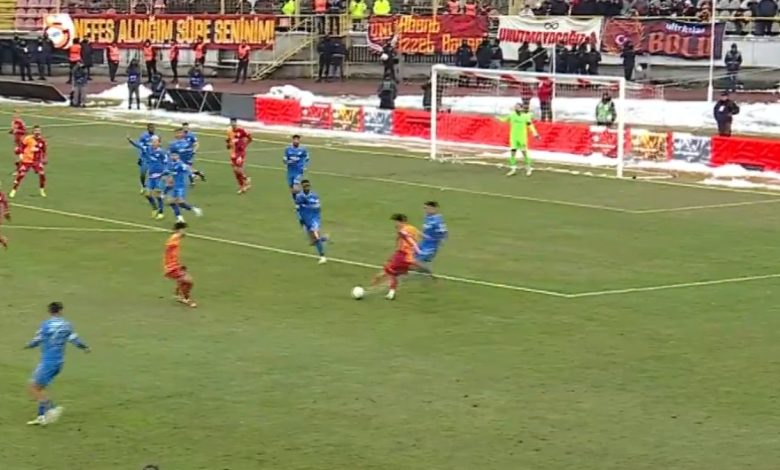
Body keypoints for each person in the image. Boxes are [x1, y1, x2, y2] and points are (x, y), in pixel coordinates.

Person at [23, 302, 90, 426]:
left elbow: (37, 340)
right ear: (60, 311)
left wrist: (27, 345)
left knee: (33, 387)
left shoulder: (46, 325)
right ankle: (41, 417)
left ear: (49, 311)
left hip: (48, 361)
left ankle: (51, 408)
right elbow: (75, 340)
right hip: (58, 362)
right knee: (40, 387)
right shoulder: (67, 325)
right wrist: (85, 347)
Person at [370, 213, 421, 300]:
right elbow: (419, 235)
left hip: (402, 256)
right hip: (408, 256)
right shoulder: (412, 228)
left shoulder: (403, 231)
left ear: (401, 222)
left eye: (396, 222)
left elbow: (405, 240)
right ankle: (391, 293)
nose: (395, 224)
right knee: (394, 273)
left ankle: (372, 286)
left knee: (386, 272)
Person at [164, 139, 203, 223]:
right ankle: (180, 218)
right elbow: (168, 172)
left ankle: (195, 210)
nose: (173, 157)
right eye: (172, 155)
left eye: (175, 155)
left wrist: (196, 174)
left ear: (178, 156)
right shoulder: (171, 164)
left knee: (180, 202)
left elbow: (189, 169)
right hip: (175, 186)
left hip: (180, 186)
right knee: (171, 202)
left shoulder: (180, 164)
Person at [498, 102, 540, 176]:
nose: (516, 108)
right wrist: (498, 118)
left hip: (522, 137)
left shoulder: (525, 116)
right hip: (514, 137)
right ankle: (513, 169)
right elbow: (504, 120)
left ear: (521, 108)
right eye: (515, 107)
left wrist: (535, 133)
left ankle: (529, 168)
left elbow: (530, 125)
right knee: (513, 152)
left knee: (524, 153)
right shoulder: (512, 115)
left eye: (518, 107)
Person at [294, 179, 328, 264]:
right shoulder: (299, 197)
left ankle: (322, 256)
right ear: (302, 187)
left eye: (308, 186)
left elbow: (317, 207)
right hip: (306, 219)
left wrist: (315, 216)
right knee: (312, 239)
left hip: (314, 219)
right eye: (305, 186)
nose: (307, 187)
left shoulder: (314, 195)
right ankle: (322, 239)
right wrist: (301, 219)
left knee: (315, 236)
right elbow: (298, 209)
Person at [164, 222, 197, 308]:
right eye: (184, 230)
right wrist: (177, 234)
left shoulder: (176, 238)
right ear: (180, 230)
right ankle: (186, 299)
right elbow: (169, 245)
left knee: (184, 278)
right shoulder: (174, 238)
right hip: (171, 267)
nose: (185, 232)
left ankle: (178, 294)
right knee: (189, 281)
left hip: (175, 265)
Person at [10, 125, 46, 198]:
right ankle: (13, 190)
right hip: (27, 160)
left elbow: (44, 150)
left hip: (36, 161)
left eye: (38, 130)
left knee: (42, 174)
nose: (37, 132)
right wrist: (20, 154)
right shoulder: (28, 138)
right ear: (33, 131)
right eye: (36, 130)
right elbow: (21, 146)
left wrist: (43, 159)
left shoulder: (42, 141)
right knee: (21, 175)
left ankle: (42, 190)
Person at [412, 201, 448, 276]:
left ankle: (428, 273)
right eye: (424, 208)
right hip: (423, 243)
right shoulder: (427, 217)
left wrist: (440, 241)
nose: (425, 210)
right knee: (409, 257)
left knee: (416, 261)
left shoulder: (438, 220)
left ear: (434, 209)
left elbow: (443, 232)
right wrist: (421, 235)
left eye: (427, 208)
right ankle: (421, 271)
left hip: (431, 246)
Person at [145, 135, 169, 219]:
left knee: (158, 195)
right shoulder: (149, 150)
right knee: (147, 194)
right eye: (152, 141)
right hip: (151, 176)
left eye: (155, 142)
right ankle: (155, 208)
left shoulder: (162, 152)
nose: (153, 143)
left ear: (159, 143)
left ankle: (161, 213)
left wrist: (164, 175)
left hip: (159, 176)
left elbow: (166, 164)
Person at [226, 118, 252, 194]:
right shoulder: (229, 131)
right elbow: (228, 141)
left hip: (240, 152)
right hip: (233, 152)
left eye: (234, 123)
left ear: (236, 123)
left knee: (238, 168)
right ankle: (242, 186)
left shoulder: (241, 130)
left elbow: (250, 138)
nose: (233, 124)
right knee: (235, 171)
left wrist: (245, 145)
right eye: (232, 123)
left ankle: (246, 178)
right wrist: (228, 145)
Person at [127, 123, 155, 193]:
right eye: (151, 128)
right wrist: (130, 140)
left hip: (153, 158)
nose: (152, 129)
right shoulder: (143, 136)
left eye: (153, 128)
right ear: (148, 128)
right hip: (144, 158)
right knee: (143, 174)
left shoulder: (156, 137)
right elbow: (139, 145)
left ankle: (150, 187)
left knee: (153, 174)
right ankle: (143, 186)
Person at [284, 134, 309, 200]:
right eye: (295, 139)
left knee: (296, 188)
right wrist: (288, 162)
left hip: (298, 171)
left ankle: (304, 198)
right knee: (292, 188)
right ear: (293, 140)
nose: (296, 141)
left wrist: (305, 166)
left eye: (297, 139)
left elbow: (307, 158)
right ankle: (297, 201)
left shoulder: (303, 150)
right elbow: (284, 160)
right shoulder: (288, 149)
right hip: (290, 171)